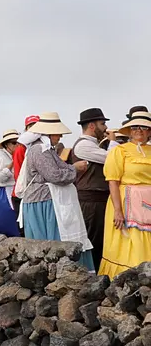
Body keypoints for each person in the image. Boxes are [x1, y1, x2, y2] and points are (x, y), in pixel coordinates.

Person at [19, 112, 94, 271]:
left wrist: (71, 168)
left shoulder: (47, 149)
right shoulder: (39, 149)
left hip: (45, 200)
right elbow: (55, 175)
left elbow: (59, 168)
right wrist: (75, 169)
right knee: (49, 242)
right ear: (48, 132)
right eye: (57, 133)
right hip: (42, 201)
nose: (60, 136)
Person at [100, 110, 151, 277]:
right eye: (135, 127)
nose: (139, 131)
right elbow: (113, 181)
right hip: (125, 201)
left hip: (148, 204)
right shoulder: (120, 151)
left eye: (144, 127)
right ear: (130, 130)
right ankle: (128, 277)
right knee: (130, 240)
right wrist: (117, 210)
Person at [71, 107, 111, 266]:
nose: (106, 128)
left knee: (100, 238)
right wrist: (113, 142)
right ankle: (92, 274)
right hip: (91, 201)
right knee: (94, 238)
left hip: (97, 199)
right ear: (92, 126)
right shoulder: (83, 146)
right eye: (102, 124)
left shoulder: (92, 145)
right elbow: (111, 159)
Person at [0, 129, 21, 236]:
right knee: (8, 222)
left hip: (11, 190)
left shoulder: (11, 155)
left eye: (18, 142)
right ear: (6, 144)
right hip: (2, 192)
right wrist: (12, 163)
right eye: (14, 143)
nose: (17, 145)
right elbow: (0, 178)